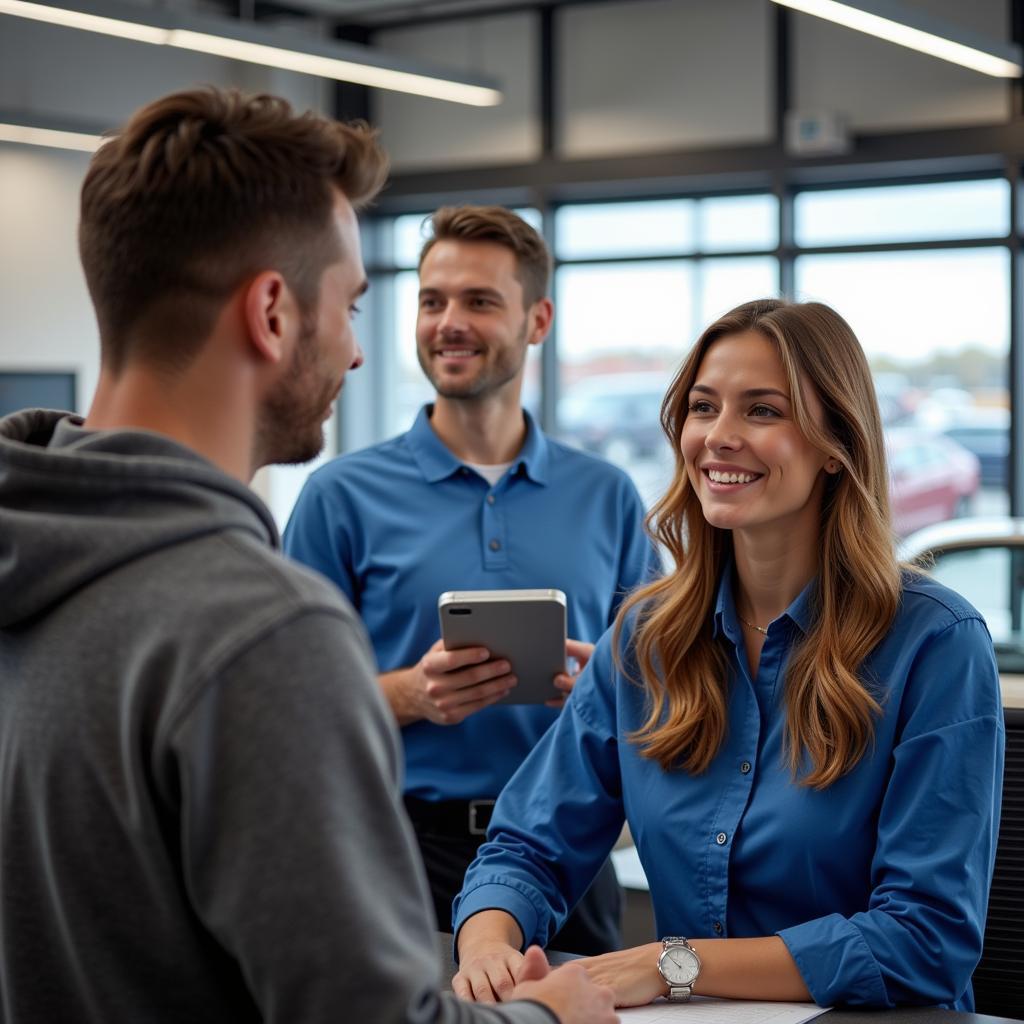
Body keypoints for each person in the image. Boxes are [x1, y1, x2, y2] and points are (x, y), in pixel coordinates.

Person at [0, 87, 618, 1024]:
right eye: (353, 305)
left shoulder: (30, 554)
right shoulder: (259, 631)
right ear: (273, 313)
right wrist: (550, 1017)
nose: (359, 353)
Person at [451, 298, 1005, 1011]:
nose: (719, 436)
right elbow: (527, 846)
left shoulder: (936, 645)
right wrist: (489, 948)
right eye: (703, 407)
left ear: (837, 444)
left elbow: (924, 938)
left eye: (763, 411)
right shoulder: (645, 638)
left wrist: (673, 964)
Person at [284, 205, 655, 952]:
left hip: (567, 850)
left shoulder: (607, 495)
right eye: (432, 301)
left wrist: (606, 694)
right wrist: (412, 695)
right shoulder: (340, 496)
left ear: (537, 319)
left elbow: (668, 685)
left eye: (480, 301)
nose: (449, 322)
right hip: (396, 850)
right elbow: (292, 706)